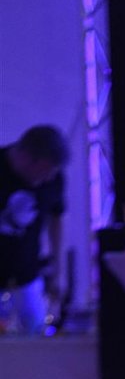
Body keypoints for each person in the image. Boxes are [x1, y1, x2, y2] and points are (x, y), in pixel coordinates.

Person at [0, 125, 69, 334]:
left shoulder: (53, 178)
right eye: (43, 171)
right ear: (24, 157)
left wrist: (57, 270)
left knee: (36, 335)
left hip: (27, 275)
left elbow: (56, 218)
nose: (47, 179)